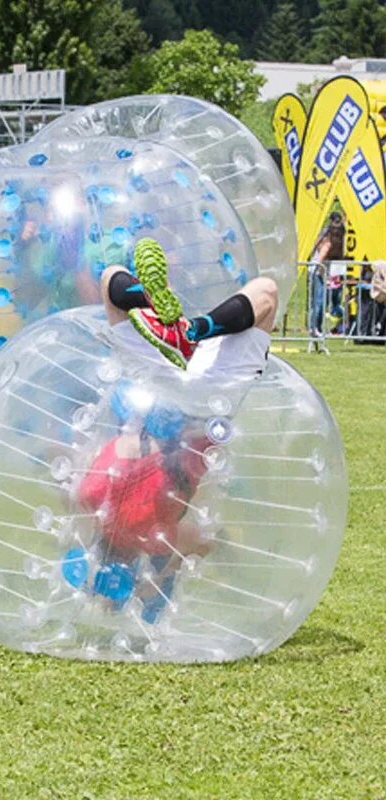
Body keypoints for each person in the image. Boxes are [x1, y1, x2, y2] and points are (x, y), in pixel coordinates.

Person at [71, 237, 278, 623]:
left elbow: (201, 541)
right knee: (111, 280)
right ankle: (184, 326)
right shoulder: (90, 496)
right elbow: (119, 449)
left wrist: (167, 576)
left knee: (266, 294)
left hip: (203, 406)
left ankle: (195, 329)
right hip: (154, 383)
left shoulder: (154, 537)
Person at [309, 210, 346, 337]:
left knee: (328, 302)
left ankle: (317, 328)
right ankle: (314, 328)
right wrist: (321, 272)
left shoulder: (339, 235)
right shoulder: (327, 237)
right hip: (319, 271)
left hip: (328, 272)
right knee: (319, 302)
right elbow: (321, 258)